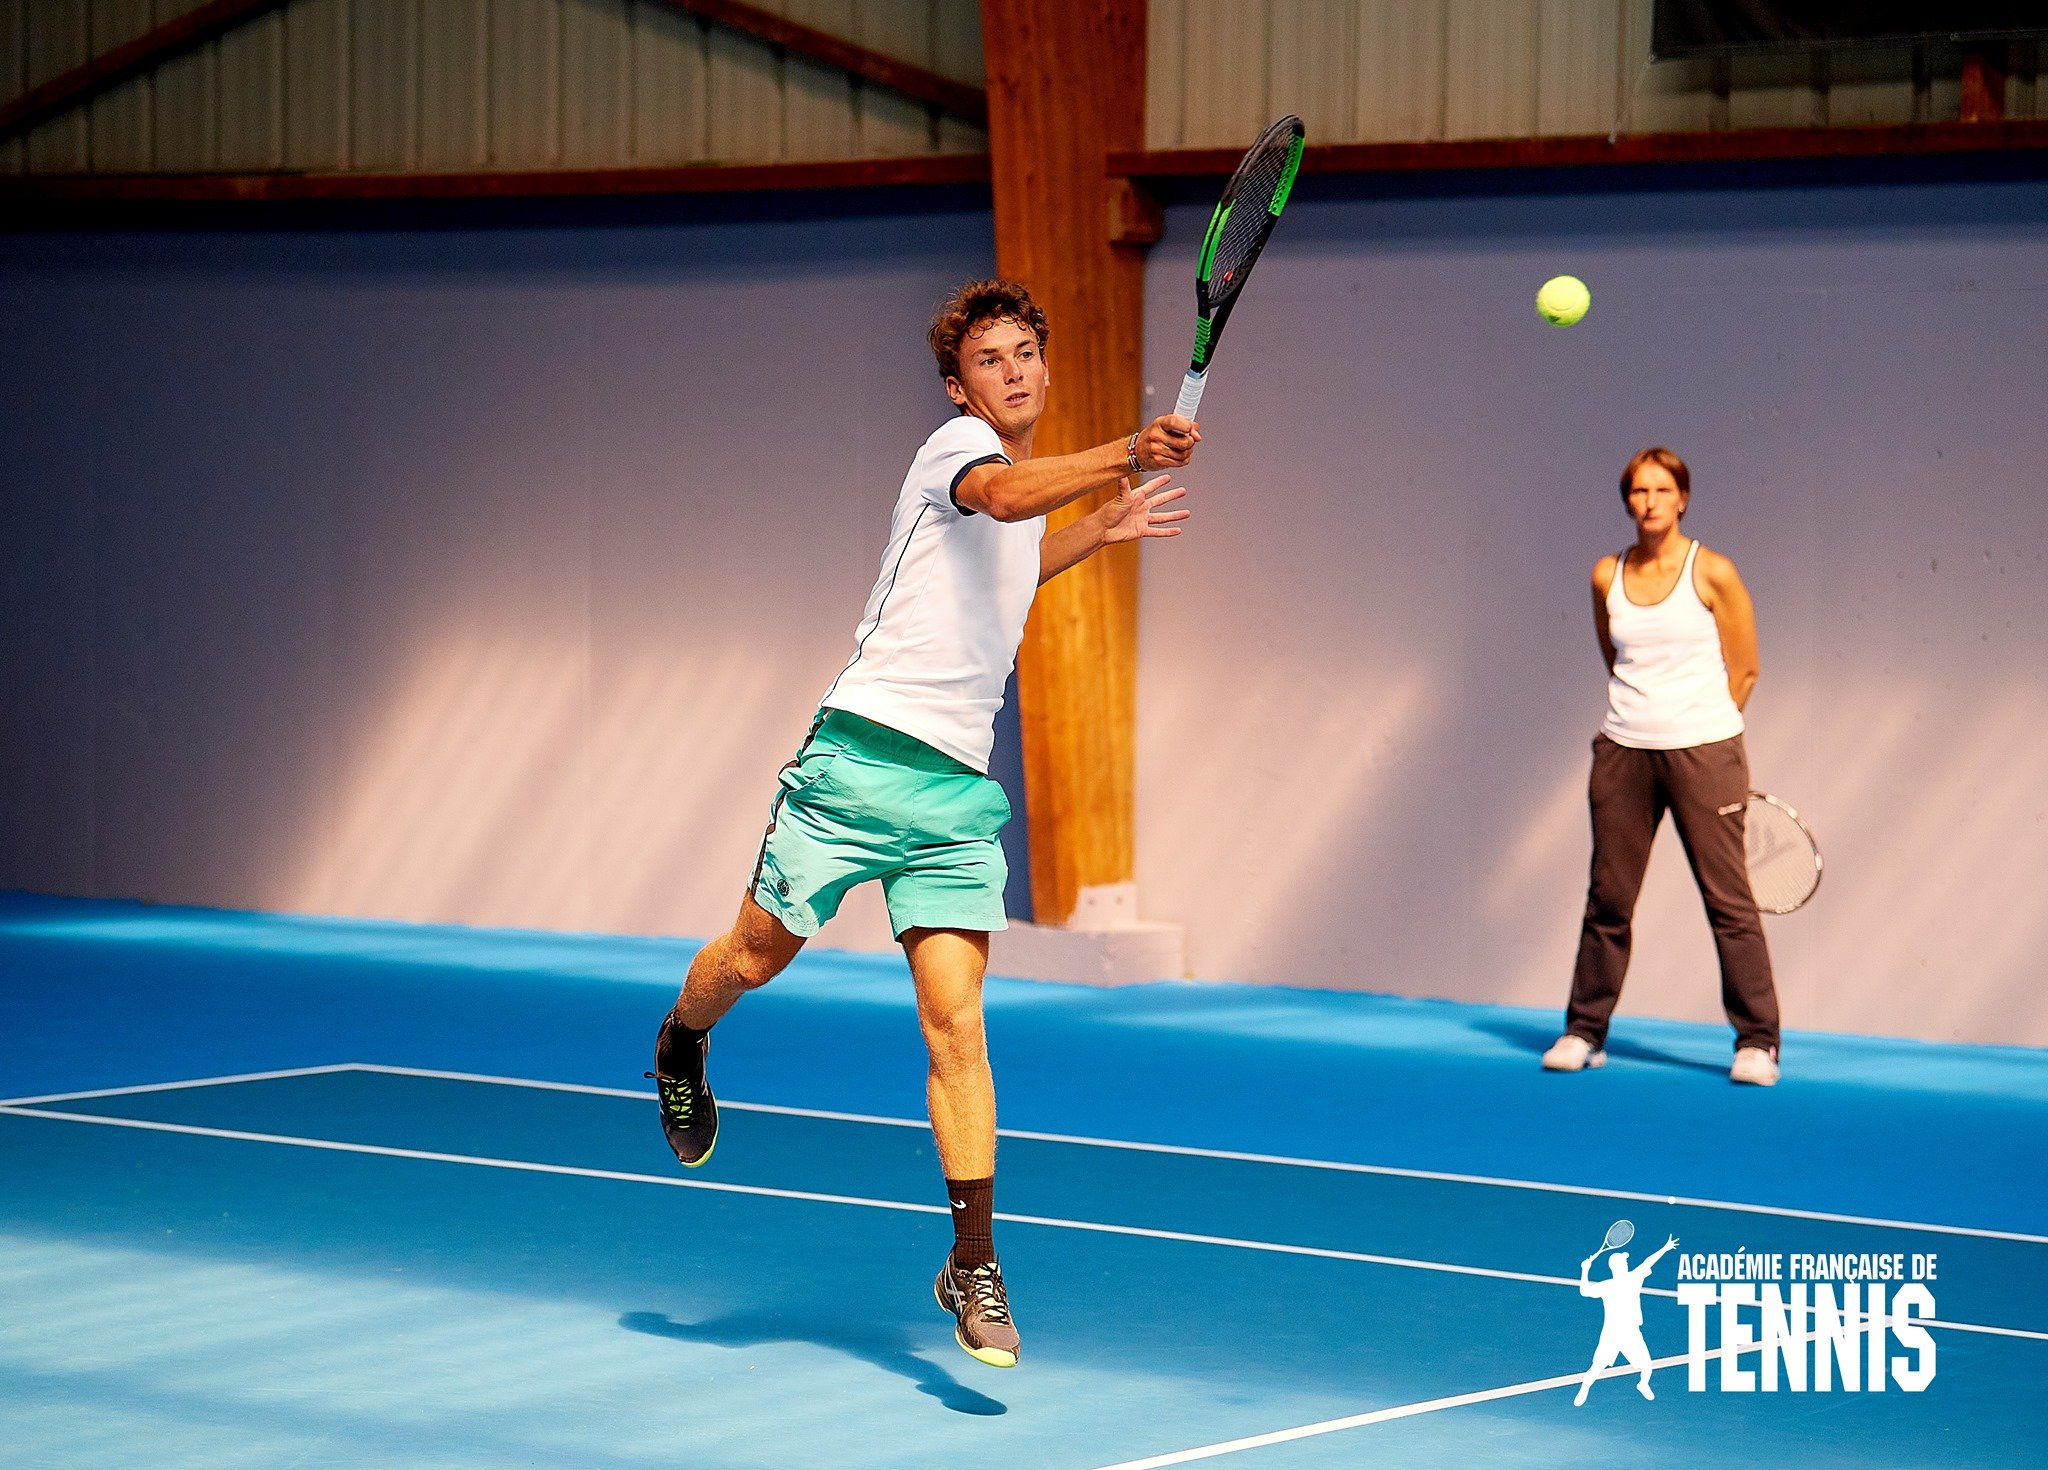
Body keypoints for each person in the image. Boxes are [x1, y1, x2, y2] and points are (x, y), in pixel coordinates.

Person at [647, 278, 1197, 1369]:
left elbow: (1008, 570)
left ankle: (973, 1264)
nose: (1013, 371)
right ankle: (681, 1038)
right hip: (856, 763)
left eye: (1025, 353)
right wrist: (1127, 452)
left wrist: (1100, 524)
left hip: (952, 796)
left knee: (956, 1025)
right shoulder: (953, 453)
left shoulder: (1019, 491)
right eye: (990, 359)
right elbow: (995, 504)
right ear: (959, 385)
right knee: (755, 955)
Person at [1543, 446, 1783, 1086]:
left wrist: (1700, 726)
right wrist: (1645, 721)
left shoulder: (1715, 573)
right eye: (1637, 492)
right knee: (1608, 900)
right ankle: (1583, 1032)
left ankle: (1758, 1043)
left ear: (1682, 498)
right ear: (1629, 502)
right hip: (1623, 753)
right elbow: (1613, 657)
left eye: (1660, 490)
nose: (1648, 502)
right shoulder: (1605, 576)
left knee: (1728, 902)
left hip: (1705, 753)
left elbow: (1747, 666)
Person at [1573, 1233, 1678, 1405]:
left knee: (1646, 1364)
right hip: (1613, 1332)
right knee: (1597, 1366)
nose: (1627, 1263)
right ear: (1618, 1266)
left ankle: (1642, 1384)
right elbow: (1585, 1291)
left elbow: (1648, 1262)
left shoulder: (1626, 1280)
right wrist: (1585, 1270)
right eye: (1625, 1261)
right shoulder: (1625, 1280)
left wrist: (1585, 1269)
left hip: (1629, 1331)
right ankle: (1584, 1389)